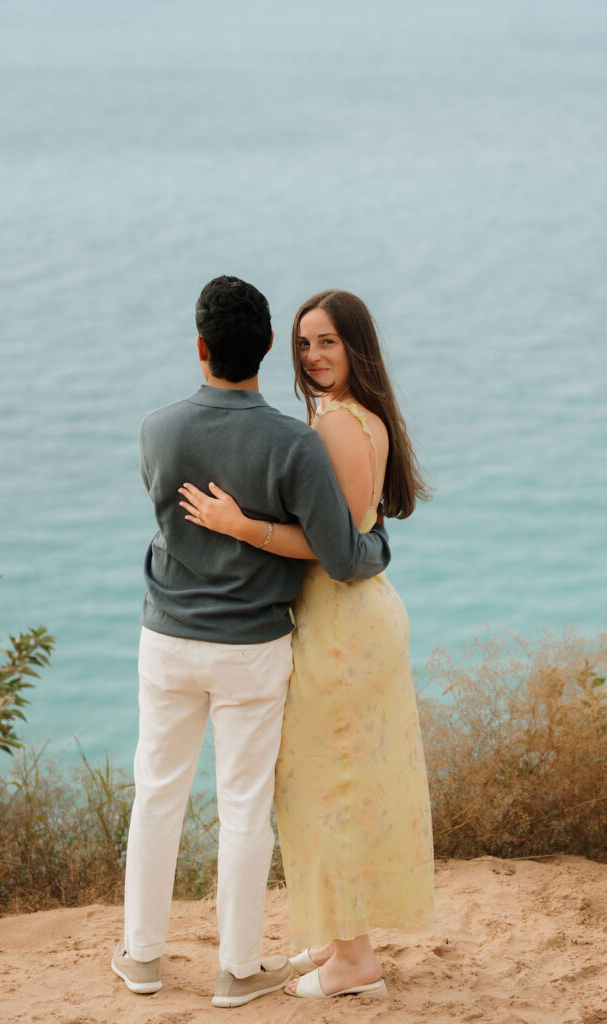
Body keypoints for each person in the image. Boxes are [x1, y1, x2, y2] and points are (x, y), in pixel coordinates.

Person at [111, 276, 391, 1008]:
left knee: (157, 795)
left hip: (166, 638)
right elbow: (342, 554)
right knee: (242, 806)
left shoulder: (156, 429)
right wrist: (378, 550)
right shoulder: (293, 443)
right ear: (269, 346)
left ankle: (141, 958)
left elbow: (165, 517)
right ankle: (236, 970)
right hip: (252, 648)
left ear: (200, 347)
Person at [178, 289, 434, 1001]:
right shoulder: (349, 419)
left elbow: (337, 549)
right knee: (327, 781)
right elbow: (360, 539)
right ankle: (335, 939)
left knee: (326, 787)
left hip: (342, 625)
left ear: (356, 347)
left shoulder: (336, 429)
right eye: (302, 343)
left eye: (326, 342)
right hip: (349, 618)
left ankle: (354, 962)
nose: (312, 356)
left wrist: (238, 526)